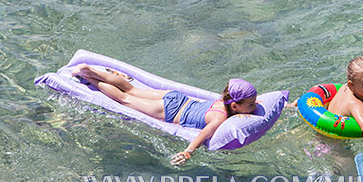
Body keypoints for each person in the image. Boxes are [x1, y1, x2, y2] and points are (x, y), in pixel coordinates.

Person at [72, 65, 258, 166]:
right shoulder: (219, 119)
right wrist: (188, 152)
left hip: (176, 98)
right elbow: (203, 135)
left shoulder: (222, 101)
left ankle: (90, 70)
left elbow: (258, 103)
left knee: (131, 88)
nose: (253, 108)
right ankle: (90, 79)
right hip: (168, 111)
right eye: (250, 105)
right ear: (235, 105)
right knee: (125, 98)